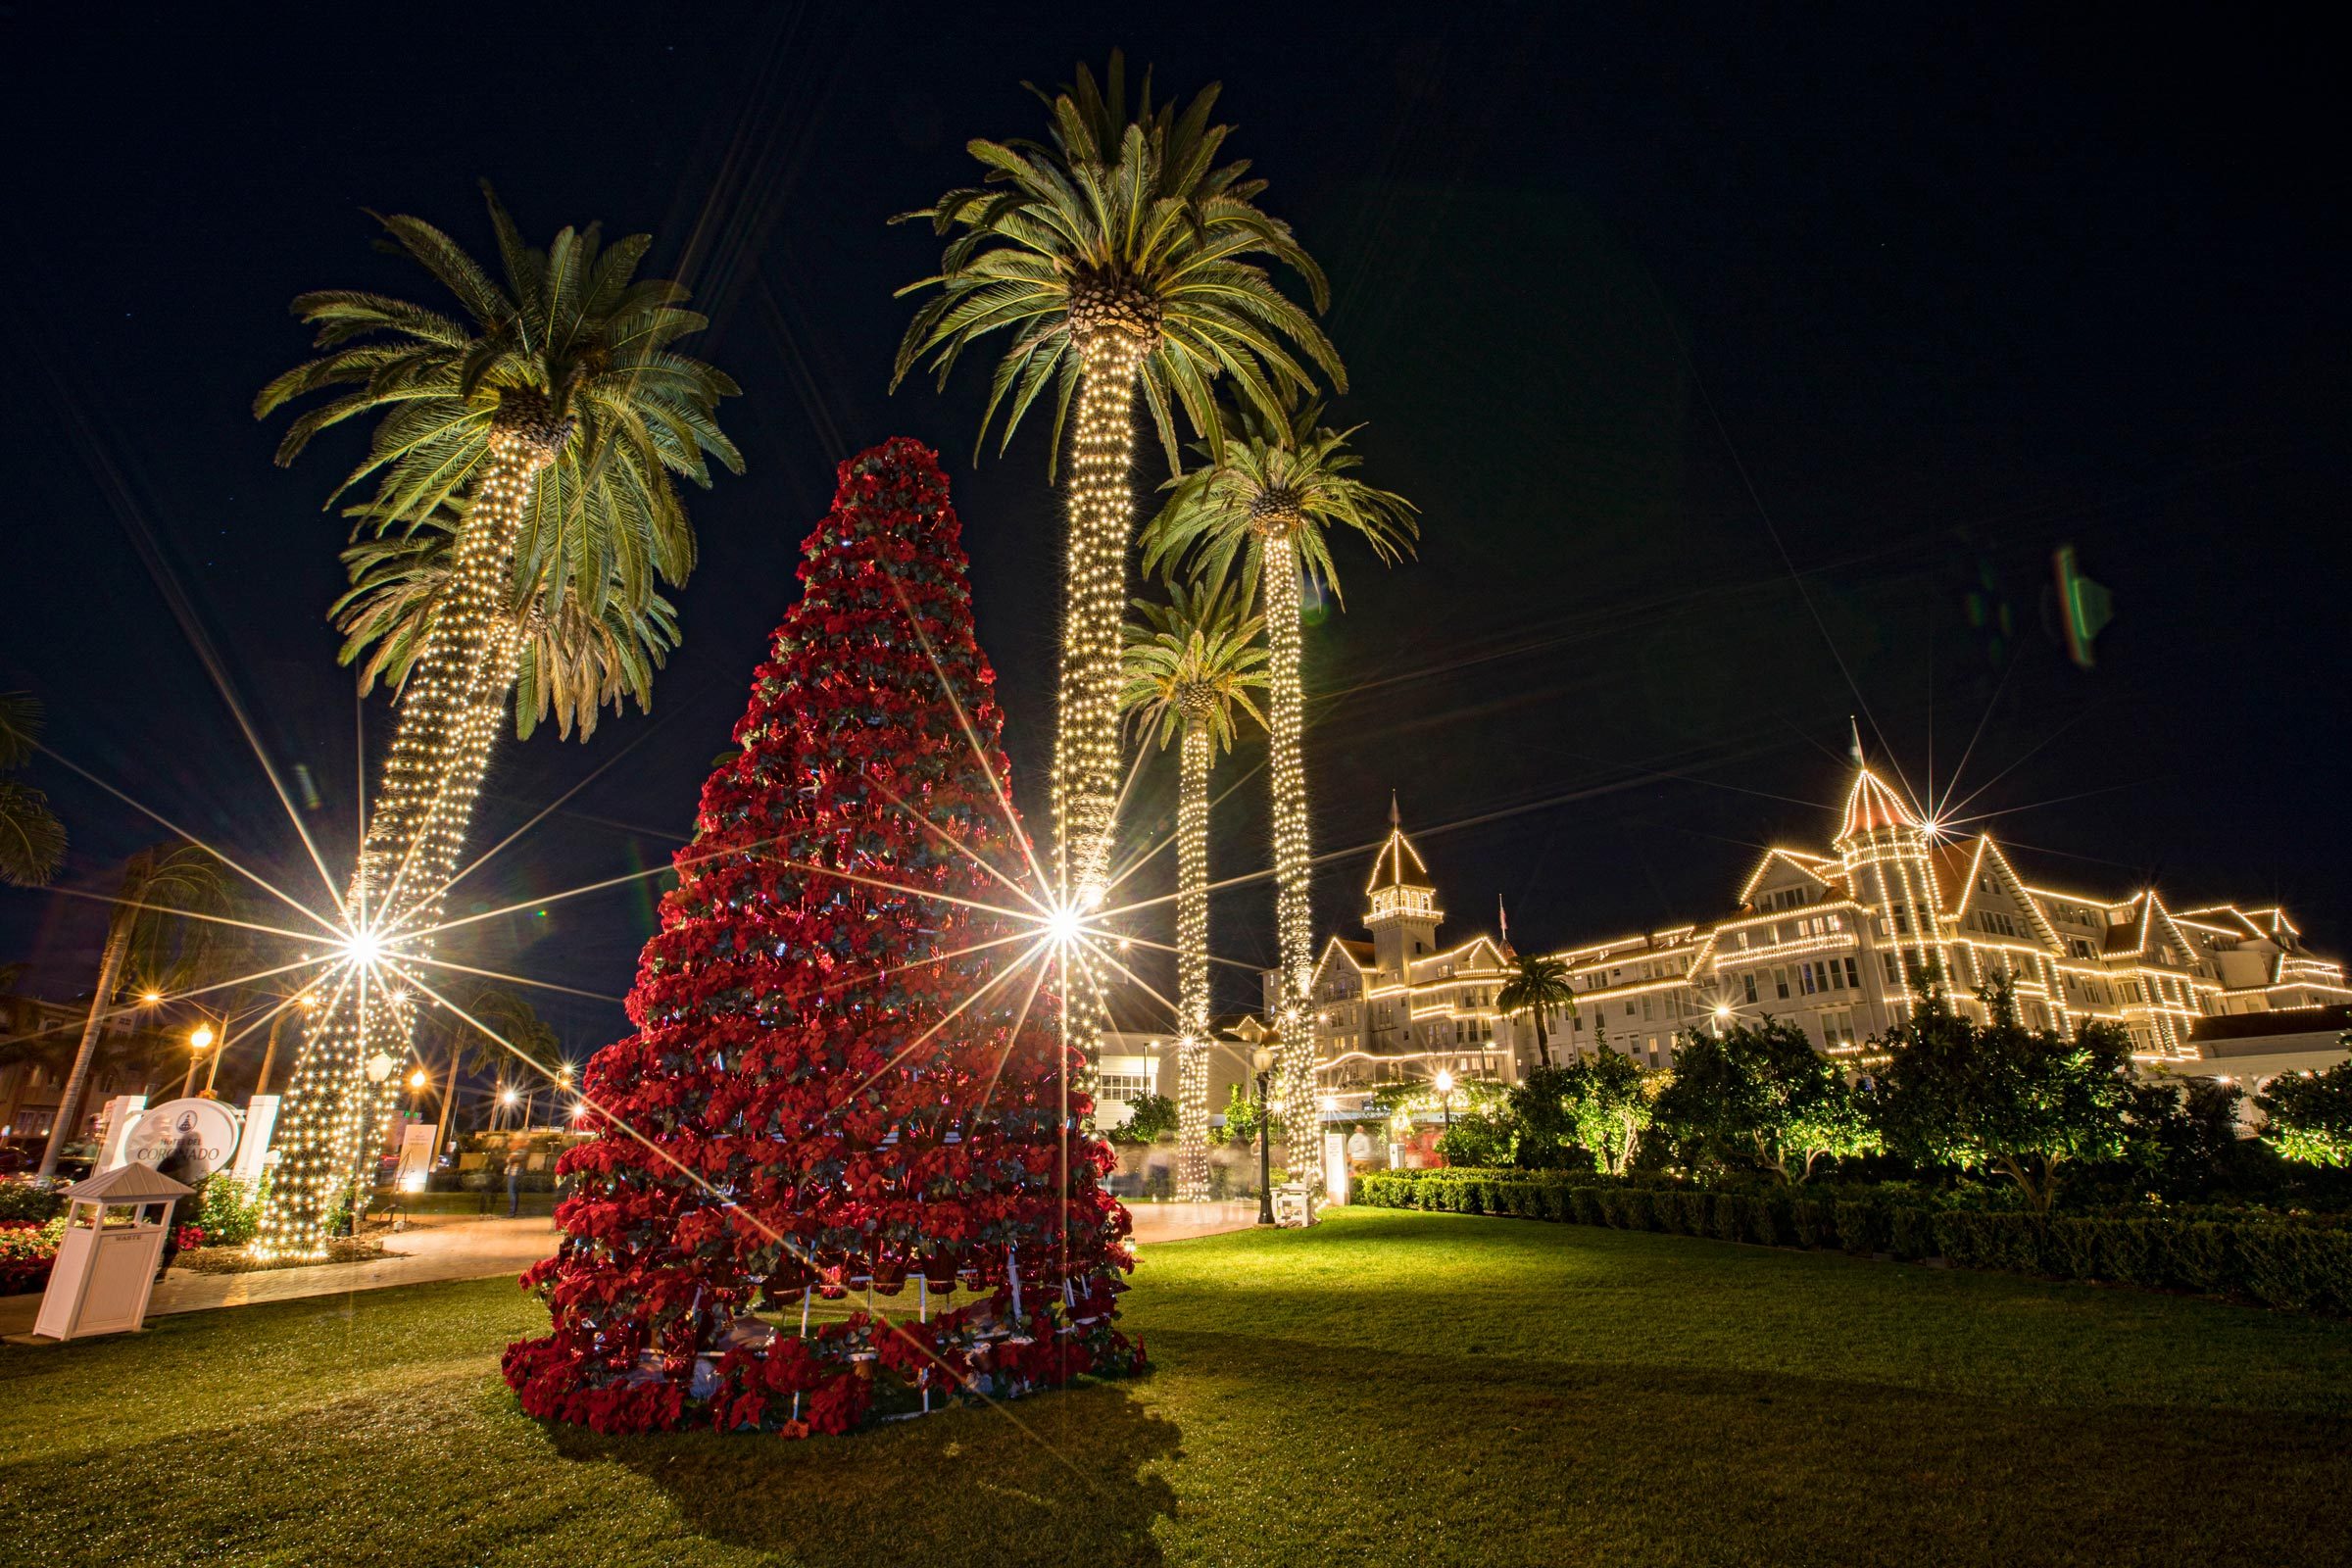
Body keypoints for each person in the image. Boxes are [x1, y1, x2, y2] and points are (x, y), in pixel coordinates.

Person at [154, 1130, 208, 1278]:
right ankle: (163, 1268)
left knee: (162, 1233)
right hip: (184, 1203)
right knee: (172, 1235)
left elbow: (160, 1176)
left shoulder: (174, 1160)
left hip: (170, 1202)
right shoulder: (200, 1160)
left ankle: (158, 1266)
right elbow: (203, 1182)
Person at [504, 1150, 523, 1218]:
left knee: (512, 1194)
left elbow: (508, 1161)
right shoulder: (517, 1154)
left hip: (513, 1174)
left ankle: (512, 1212)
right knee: (514, 1194)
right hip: (514, 1173)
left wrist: (510, 1158)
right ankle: (513, 1212)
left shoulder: (516, 1154)